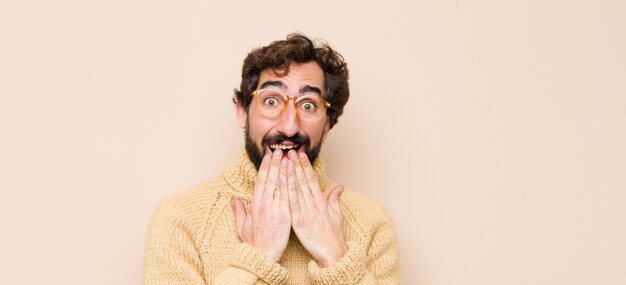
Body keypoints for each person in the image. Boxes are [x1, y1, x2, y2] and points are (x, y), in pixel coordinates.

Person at [143, 33, 401, 284]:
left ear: (327, 126)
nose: (289, 127)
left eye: (308, 105)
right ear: (243, 112)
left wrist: (337, 258)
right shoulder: (179, 219)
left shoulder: (371, 222)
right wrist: (257, 258)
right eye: (271, 101)